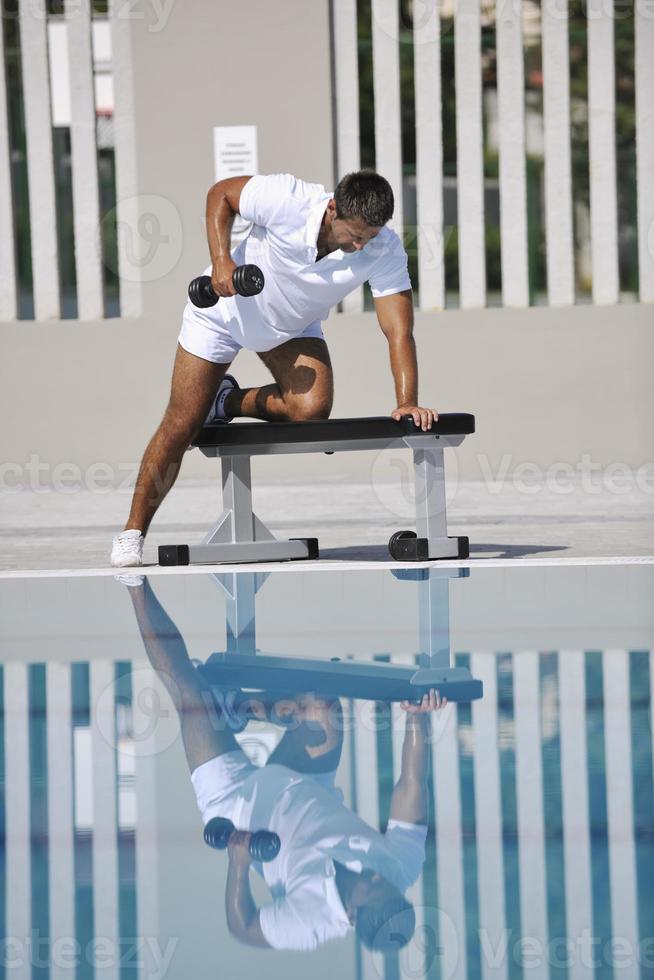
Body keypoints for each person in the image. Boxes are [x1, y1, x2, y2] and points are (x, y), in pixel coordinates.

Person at [111, 170, 438, 567]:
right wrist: (221, 261)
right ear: (333, 208)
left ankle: (226, 401)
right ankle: (132, 532)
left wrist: (408, 401)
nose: (359, 244)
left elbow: (398, 330)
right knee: (181, 423)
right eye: (353, 234)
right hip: (223, 310)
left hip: (291, 329)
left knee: (310, 409)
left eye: (368, 236)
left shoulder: (383, 249)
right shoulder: (288, 200)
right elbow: (221, 194)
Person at [124, 575, 448, 952]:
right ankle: (237, 709)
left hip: (236, 807)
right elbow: (411, 785)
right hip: (304, 780)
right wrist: (416, 716)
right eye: (387, 884)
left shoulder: (309, 924)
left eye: (372, 887)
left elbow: (242, 927)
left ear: (354, 914)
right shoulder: (399, 868)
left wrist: (240, 862)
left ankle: (134, 584)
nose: (378, 876)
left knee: (189, 693)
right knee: (322, 707)